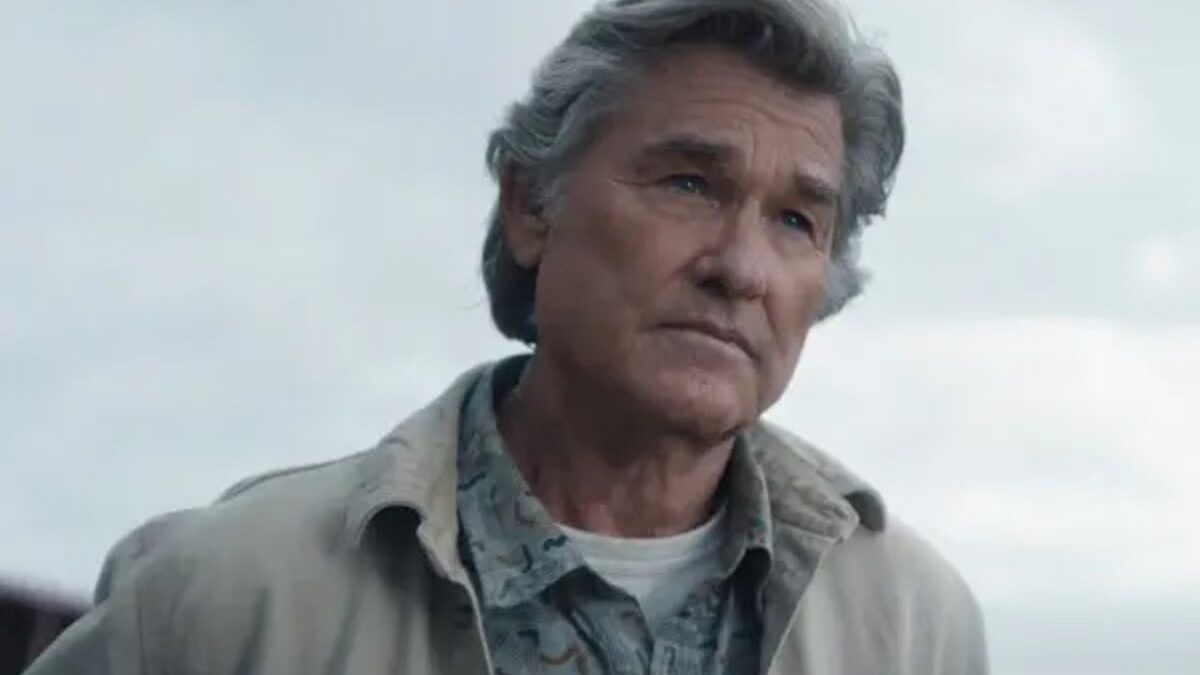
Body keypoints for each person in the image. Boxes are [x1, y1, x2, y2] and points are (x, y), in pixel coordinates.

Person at [27, 0, 988, 673]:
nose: (740, 266)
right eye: (690, 183)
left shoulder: (913, 627)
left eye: (796, 220)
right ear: (531, 206)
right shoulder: (224, 598)